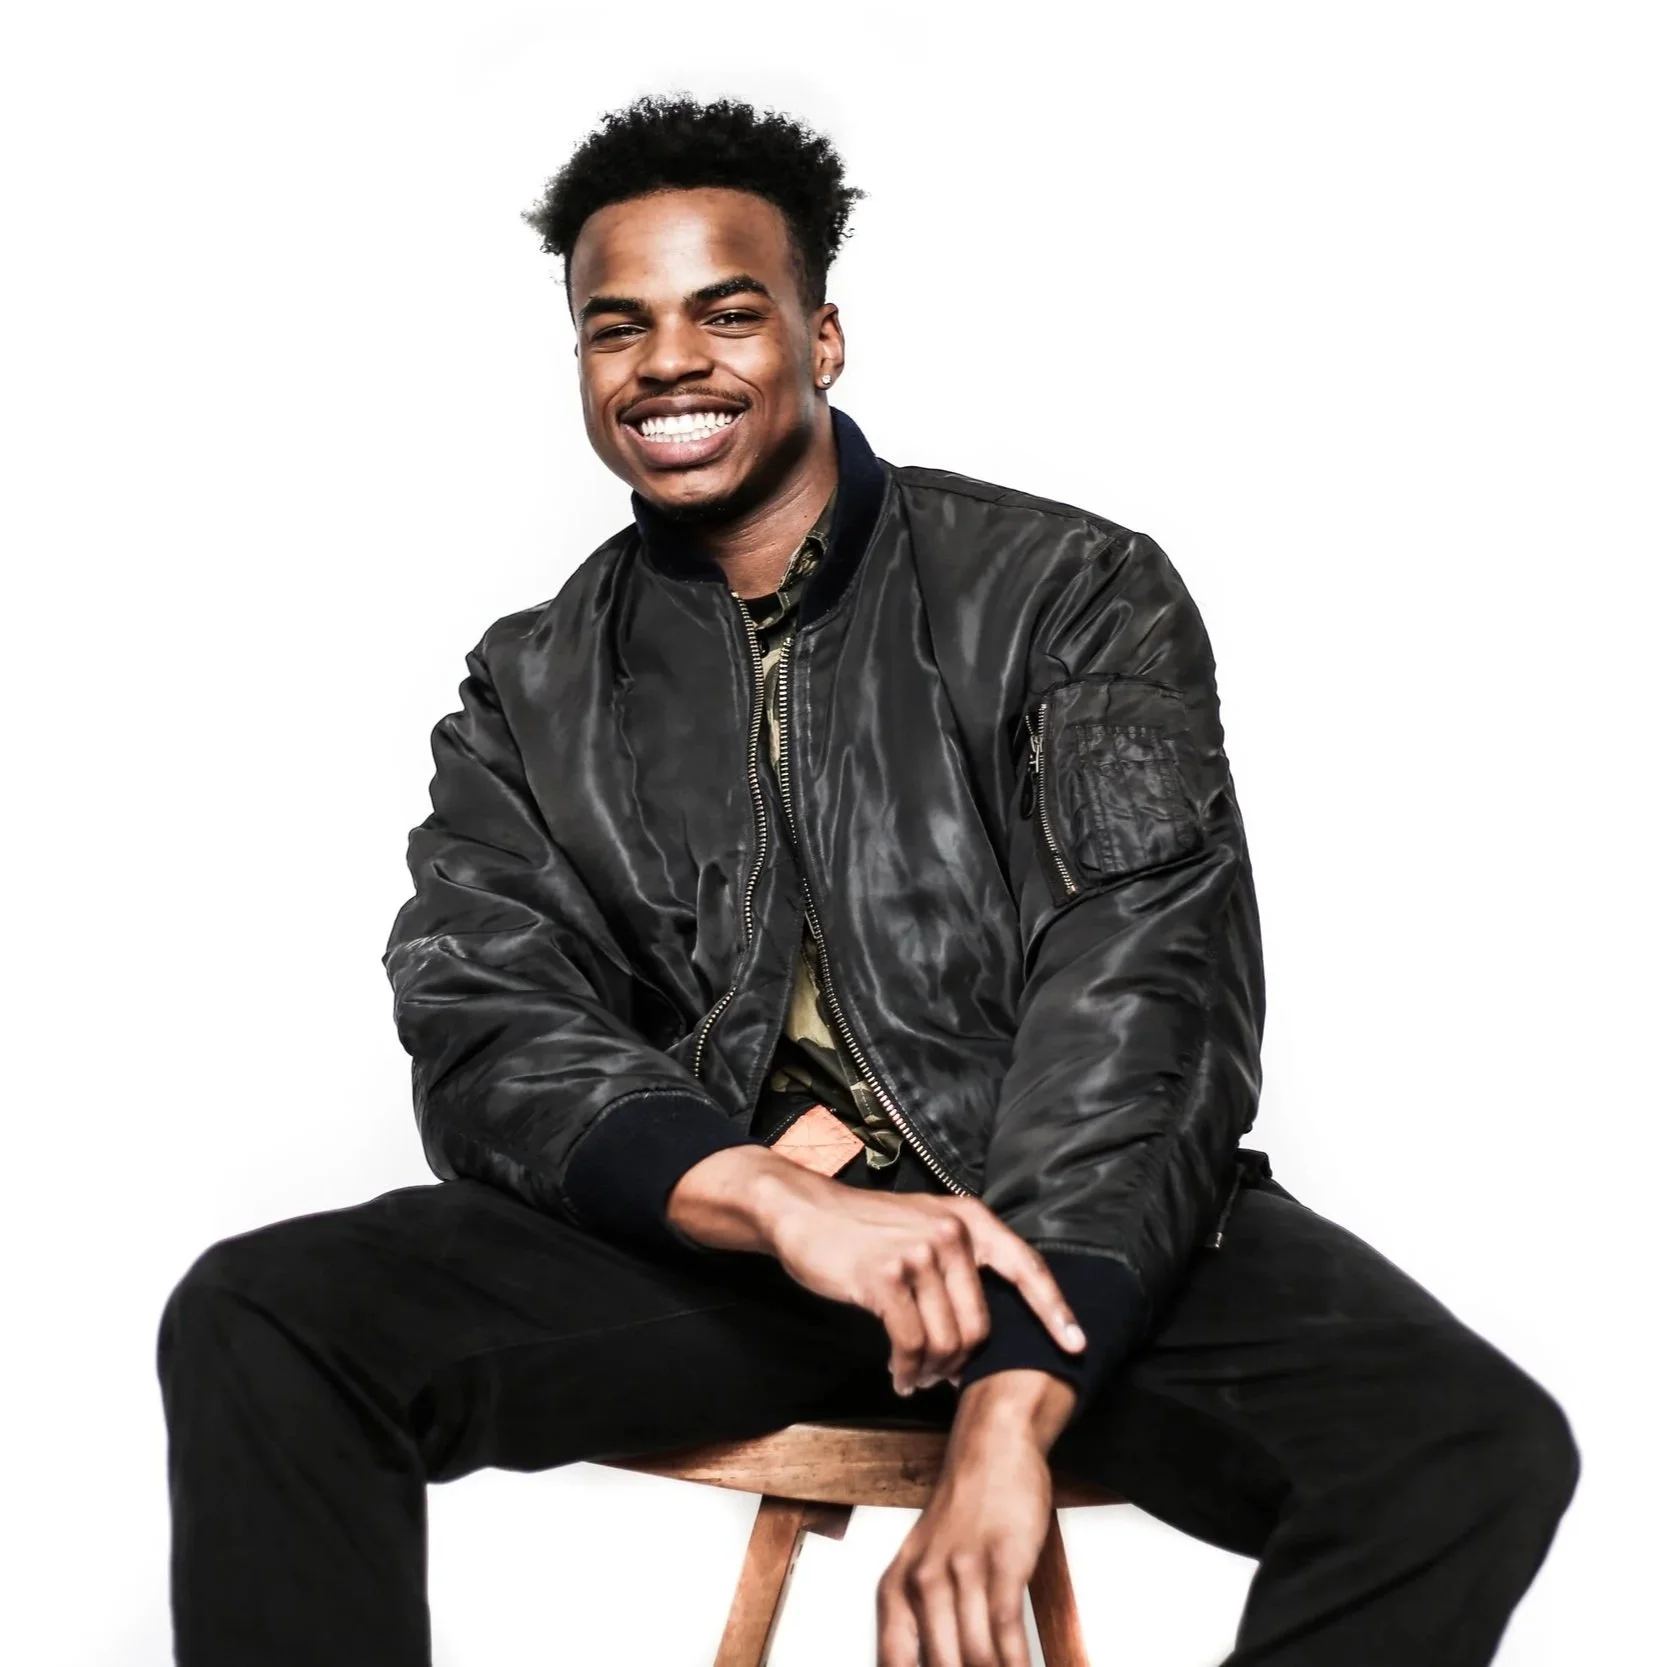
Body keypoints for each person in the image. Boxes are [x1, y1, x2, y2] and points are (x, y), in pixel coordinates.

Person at [157, 93, 1579, 1667]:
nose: (667, 364)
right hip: (744, 1259)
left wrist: (1007, 1405)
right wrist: (767, 1197)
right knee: (265, 1313)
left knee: (1462, 1448)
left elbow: (1144, 997)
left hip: (1063, 1227)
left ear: (821, 337)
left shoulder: (1068, 590)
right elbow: (487, 1018)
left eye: (726, 311)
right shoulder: (530, 682)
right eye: (615, 327)